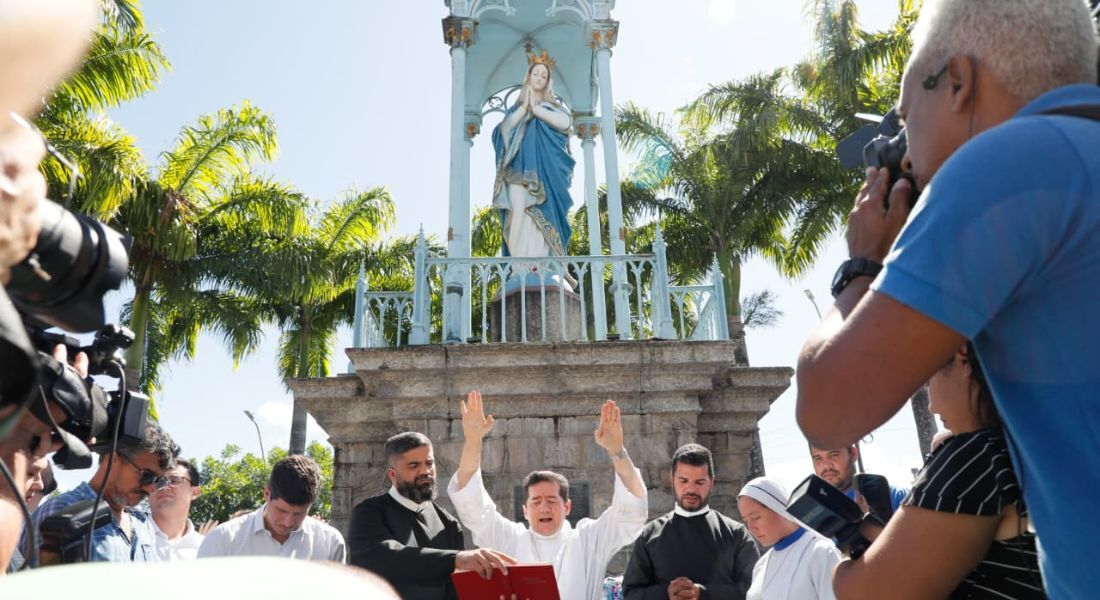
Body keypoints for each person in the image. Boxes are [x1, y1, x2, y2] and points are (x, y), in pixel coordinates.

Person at [794, 1, 1100, 596]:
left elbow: (828, 409)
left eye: (907, 118)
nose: (905, 154)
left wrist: (861, 264)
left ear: (956, 82)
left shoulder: (1009, 161)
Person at [832, 345, 1044, 599]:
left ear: (963, 360)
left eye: (929, 378)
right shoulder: (1027, 448)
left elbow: (869, 592)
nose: (931, 406)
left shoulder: (975, 456)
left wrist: (844, 564)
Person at [448, 391, 648, 600]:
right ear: (525, 510)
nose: (544, 508)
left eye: (552, 500)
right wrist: (472, 441)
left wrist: (617, 451)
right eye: (536, 501)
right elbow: (472, 505)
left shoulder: (589, 540)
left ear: (567, 507)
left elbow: (631, 513)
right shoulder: (509, 539)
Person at [347, 432, 515, 600]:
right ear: (392, 474)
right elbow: (386, 558)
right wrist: (455, 559)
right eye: (414, 466)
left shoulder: (448, 523)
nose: (425, 471)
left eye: (429, 463)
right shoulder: (369, 512)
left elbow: (454, 589)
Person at [623, 443, 759, 600]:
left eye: (699, 482)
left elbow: (755, 591)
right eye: (683, 481)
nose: (691, 489)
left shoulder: (736, 534)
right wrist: (666, 594)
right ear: (672, 479)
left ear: (711, 482)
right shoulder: (649, 535)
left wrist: (703, 593)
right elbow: (630, 593)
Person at [31, 420, 178, 563]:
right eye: (147, 476)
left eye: (160, 481)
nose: (151, 488)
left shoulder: (144, 525)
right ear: (112, 458)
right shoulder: (62, 509)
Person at [492, 50, 575, 260]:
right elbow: (503, 131)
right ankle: (518, 266)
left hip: (546, 173)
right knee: (518, 212)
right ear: (528, 77)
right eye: (535, 74)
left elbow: (565, 123)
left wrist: (537, 111)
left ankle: (545, 264)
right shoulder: (516, 110)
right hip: (518, 171)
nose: (539, 78)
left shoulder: (551, 108)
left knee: (545, 214)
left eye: (543, 76)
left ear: (548, 82)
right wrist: (526, 109)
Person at [197, 455, 345, 562]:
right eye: (282, 510)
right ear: (267, 493)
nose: (288, 522)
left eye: (299, 513)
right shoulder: (223, 539)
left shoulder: (330, 542)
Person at [737, 477, 841, 600]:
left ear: (778, 508)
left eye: (755, 517)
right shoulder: (761, 565)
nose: (750, 528)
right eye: (745, 521)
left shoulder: (821, 552)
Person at [808, 445, 906, 513]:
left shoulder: (894, 496)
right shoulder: (811, 514)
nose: (826, 465)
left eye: (834, 454)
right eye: (818, 458)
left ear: (853, 454)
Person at [149, 458, 210, 562]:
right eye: (158, 481)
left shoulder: (207, 549)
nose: (164, 487)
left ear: (195, 492)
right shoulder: (127, 539)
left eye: (174, 480)